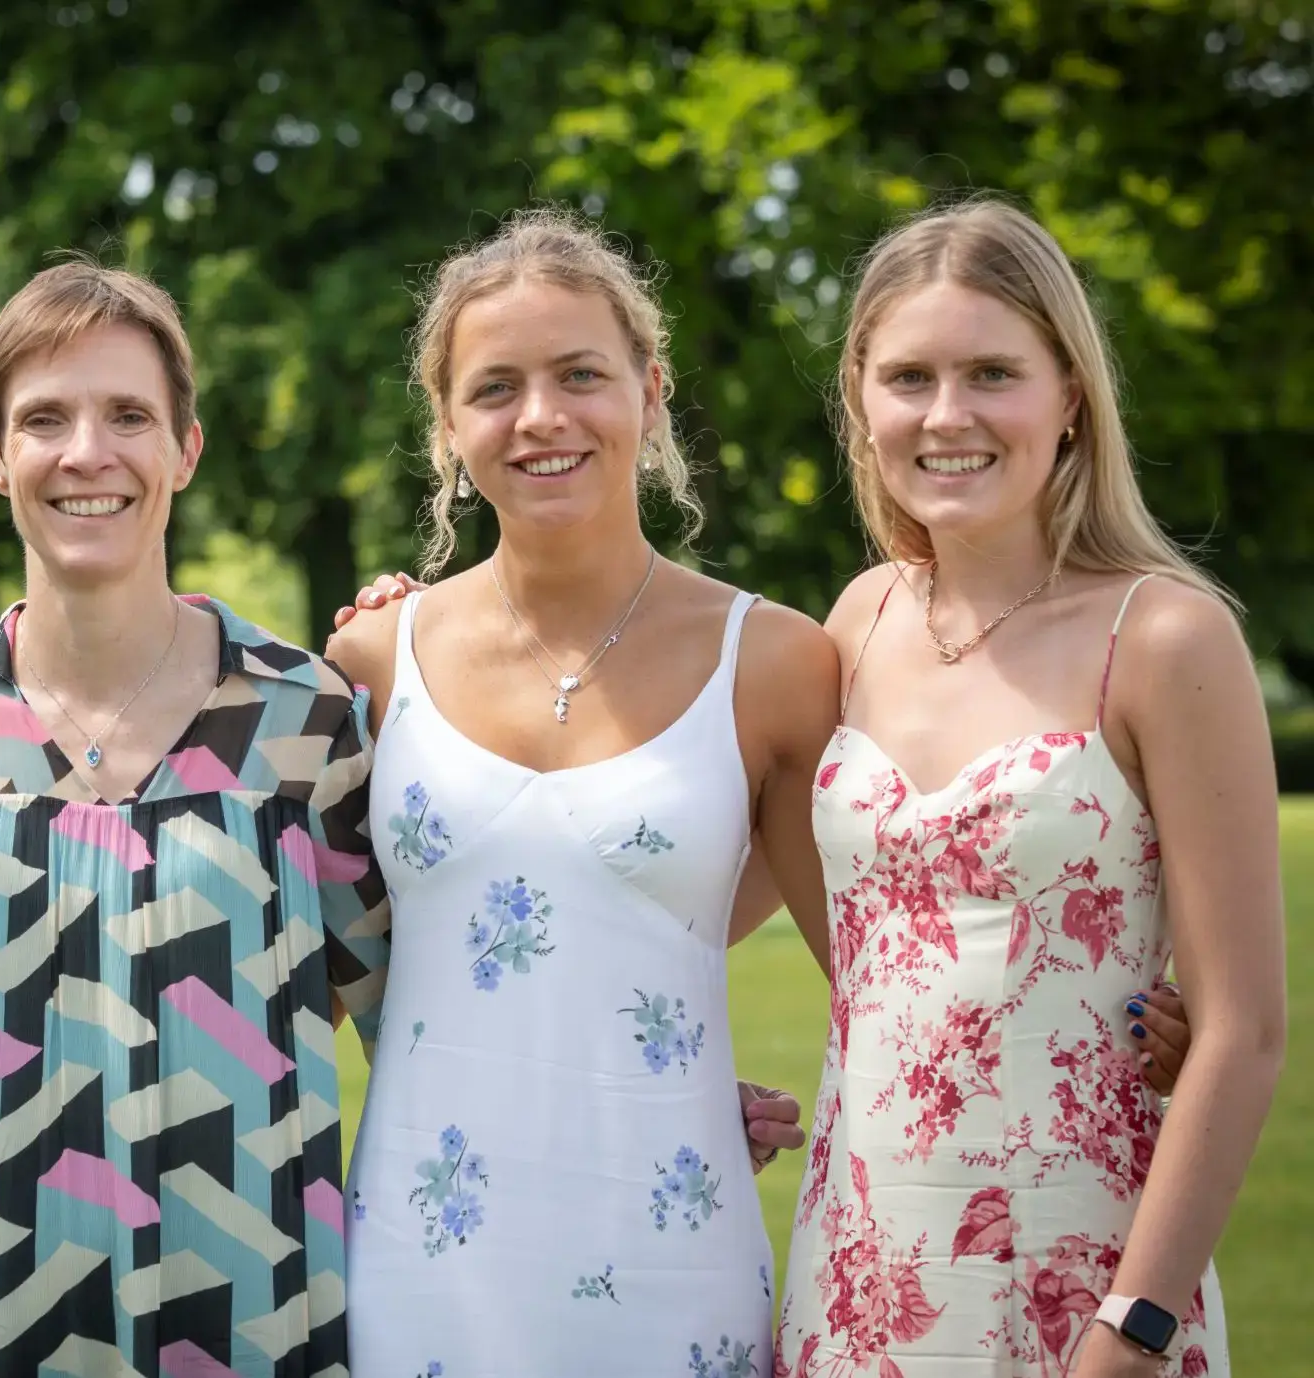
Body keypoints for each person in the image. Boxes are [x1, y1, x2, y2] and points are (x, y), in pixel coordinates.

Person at [0, 261, 392, 1376]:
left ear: (186, 448)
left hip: (243, 1309)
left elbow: (406, 1017)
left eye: (128, 414)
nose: (87, 451)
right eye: (45, 418)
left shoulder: (307, 722)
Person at [324, 209, 841, 1378]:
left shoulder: (774, 663)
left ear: (650, 392)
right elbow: (304, 968)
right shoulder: (366, 666)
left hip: (669, 1249)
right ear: (447, 427)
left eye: (580, 375)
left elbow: (880, 974)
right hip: (423, 1261)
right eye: (494, 387)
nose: (540, 417)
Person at [773, 200, 1283, 1378]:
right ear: (860, 395)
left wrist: (1133, 1327)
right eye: (909, 376)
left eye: (991, 372)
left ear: (1068, 393)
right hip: (854, 1271)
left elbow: (1244, 1029)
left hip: (1082, 1279)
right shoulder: (858, 620)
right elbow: (653, 841)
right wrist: (419, 630)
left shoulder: (1162, 635)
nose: (946, 415)